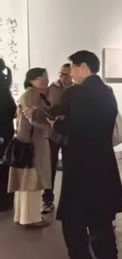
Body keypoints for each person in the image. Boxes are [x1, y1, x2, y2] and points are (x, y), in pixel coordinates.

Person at [53, 51, 122, 259]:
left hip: (80, 163)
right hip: (103, 161)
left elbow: (72, 128)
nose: (71, 73)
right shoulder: (106, 91)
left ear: (83, 66)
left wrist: (54, 125)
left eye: (73, 68)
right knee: (100, 212)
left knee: (73, 216)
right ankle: (107, 258)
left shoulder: (77, 93)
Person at [8, 68, 52, 228]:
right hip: (32, 144)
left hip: (30, 142)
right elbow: (33, 118)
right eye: (42, 78)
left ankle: (24, 216)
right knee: (32, 181)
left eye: (46, 78)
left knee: (27, 181)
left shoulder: (36, 94)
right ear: (32, 80)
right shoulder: (30, 95)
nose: (45, 81)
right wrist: (52, 125)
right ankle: (31, 218)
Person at [42, 63, 73, 214]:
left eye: (65, 74)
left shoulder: (76, 89)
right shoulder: (51, 88)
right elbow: (45, 107)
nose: (62, 77)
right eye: (61, 73)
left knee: (70, 167)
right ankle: (47, 200)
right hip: (52, 133)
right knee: (50, 167)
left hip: (69, 133)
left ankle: (68, 201)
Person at [0, 78, 15, 212]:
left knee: (3, 169)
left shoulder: (3, 91)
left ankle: (4, 202)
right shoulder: (5, 89)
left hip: (3, 135)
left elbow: (10, 111)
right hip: (5, 134)